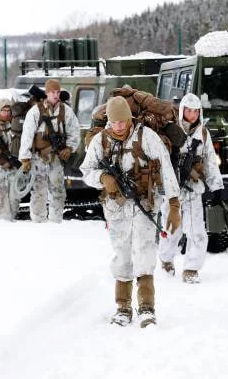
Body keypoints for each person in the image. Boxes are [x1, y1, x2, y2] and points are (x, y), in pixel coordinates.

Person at [80, 96, 181, 328]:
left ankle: (147, 308)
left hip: (144, 203)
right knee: (121, 255)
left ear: (129, 118)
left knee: (144, 253)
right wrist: (103, 177)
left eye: (122, 121)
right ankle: (123, 307)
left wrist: (174, 205)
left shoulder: (147, 137)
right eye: (114, 122)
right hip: (116, 208)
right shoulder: (100, 141)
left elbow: (166, 169)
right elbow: (86, 171)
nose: (119, 126)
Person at [158, 93, 223, 284]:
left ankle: (191, 268)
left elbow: (210, 160)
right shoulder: (171, 130)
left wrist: (216, 187)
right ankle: (166, 259)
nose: (192, 115)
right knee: (172, 229)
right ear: (182, 110)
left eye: (196, 111)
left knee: (196, 231)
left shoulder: (202, 134)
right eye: (188, 110)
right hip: (172, 190)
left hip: (194, 189)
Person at [19, 79, 80, 223]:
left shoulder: (66, 111)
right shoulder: (35, 111)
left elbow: (74, 132)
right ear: (47, 93)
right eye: (52, 92)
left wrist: (70, 147)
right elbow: (27, 135)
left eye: (58, 92)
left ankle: (55, 222)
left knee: (58, 190)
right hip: (38, 157)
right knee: (39, 191)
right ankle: (39, 222)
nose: (56, 95)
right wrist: (25, 158)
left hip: (56, 157)